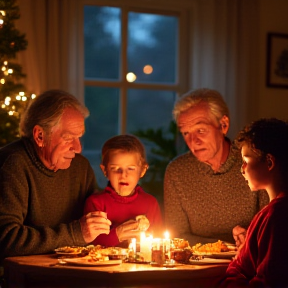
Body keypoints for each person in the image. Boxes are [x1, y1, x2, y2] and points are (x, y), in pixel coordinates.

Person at [0, 89, 111, 263]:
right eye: (68, 138)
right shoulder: (12, 165)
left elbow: (93, 228)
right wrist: (76, 233)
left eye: (79, 138)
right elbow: (6, 239)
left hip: (70, 272)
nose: (78, 148)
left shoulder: (80, 167)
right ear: (40, 136)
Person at [164, 88, 269, 246]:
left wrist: (250, 239)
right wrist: (222, 247)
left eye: (201, 130)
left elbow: (270, 227)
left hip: (249, 262)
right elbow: (177, 235)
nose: (193, 141)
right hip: (196, 266)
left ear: (223, 125)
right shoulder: (177, 172)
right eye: (186, 133)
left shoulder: (253, 163)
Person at [220, 118, 288, 287]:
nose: (242, 168)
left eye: (246, 161)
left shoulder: (275, 216)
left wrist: (237, 263)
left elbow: (268, 280)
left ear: (269, 162)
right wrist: (250, 248)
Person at [84, 134, 163, 248]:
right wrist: (118, 234)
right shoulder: (96, 203)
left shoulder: (150, 203)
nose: (123, 175)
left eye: (130, 168)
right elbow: (91, 244)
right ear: (105, 170)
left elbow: (158, 240)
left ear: (142, 170)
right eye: (116, 168)